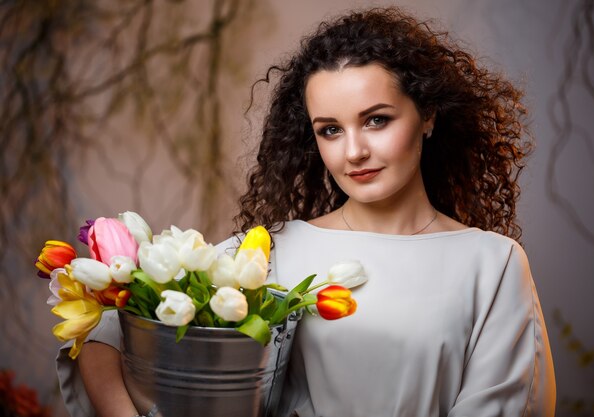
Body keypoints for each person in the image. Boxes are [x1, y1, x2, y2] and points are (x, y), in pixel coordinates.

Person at [57, 7, 556, 417]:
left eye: (376, 120)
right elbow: (107, 326)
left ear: (427, 116)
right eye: (330, 130)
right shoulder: (269, 252)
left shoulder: (492, 264)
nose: (353, 151)